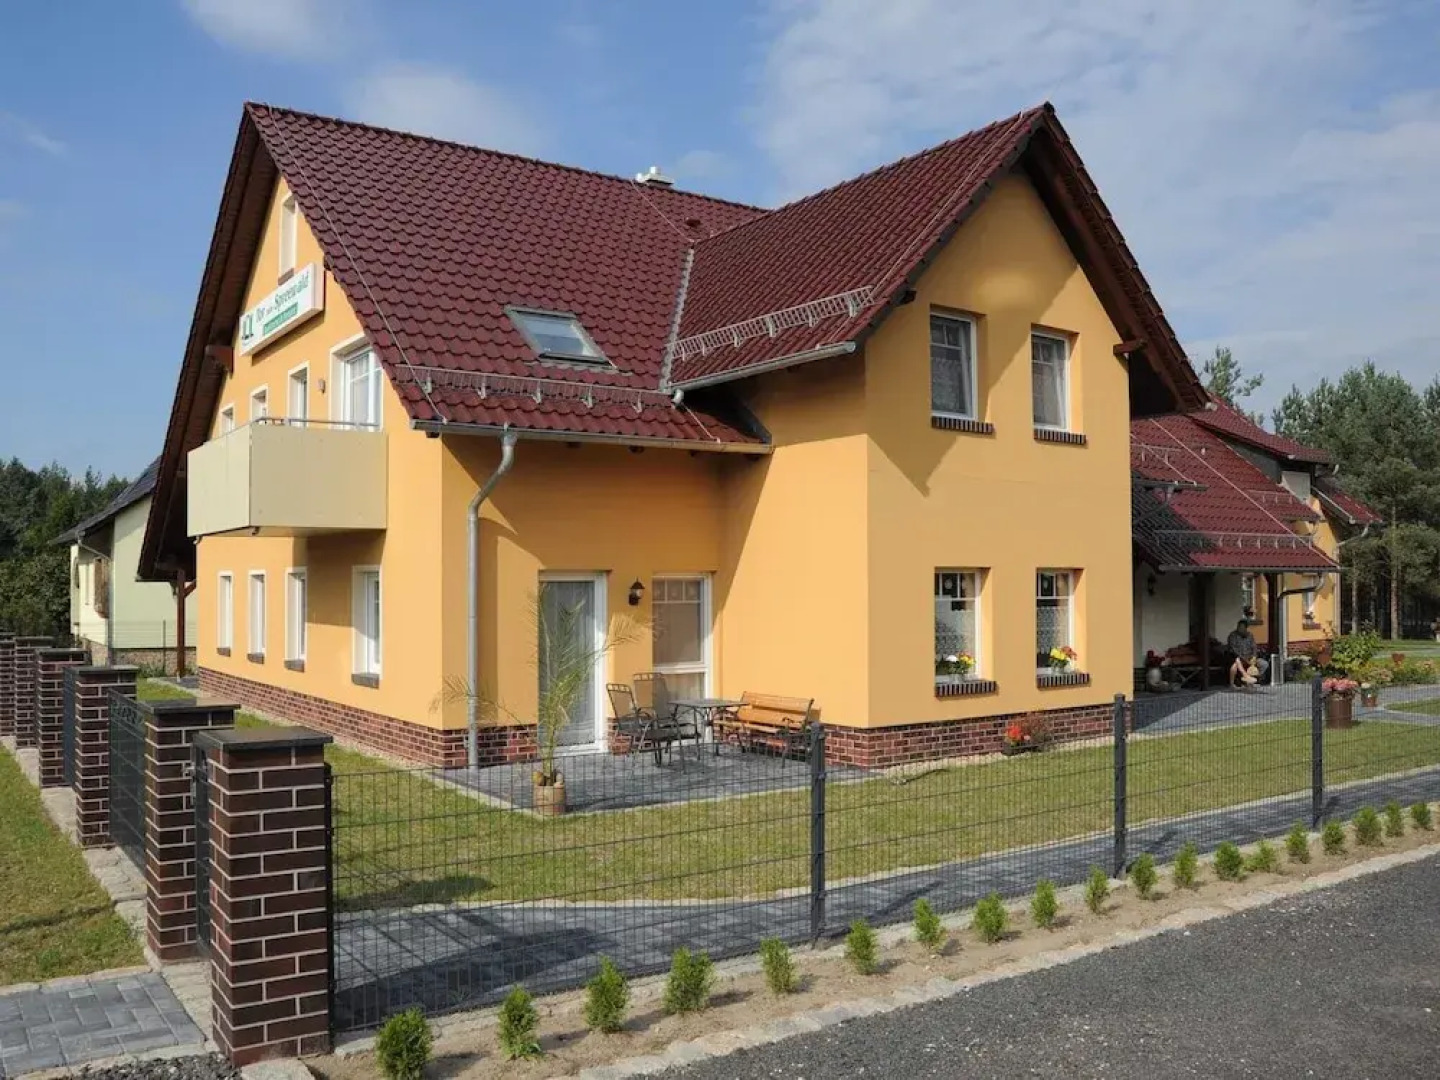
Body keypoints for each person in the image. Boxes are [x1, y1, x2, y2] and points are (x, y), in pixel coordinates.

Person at [1227, 620, 1269, 687]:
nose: (1239, 629)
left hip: (1250, 658)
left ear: (1246, 628)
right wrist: (1245, 659)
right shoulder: (1232, 636)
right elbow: (1234, 650)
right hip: (1239, 658)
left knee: (1264, 664)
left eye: (1241, 627)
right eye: (1238, 627)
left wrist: (1254, 657)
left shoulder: (1250, 635)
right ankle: (1244, 679)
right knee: (1235, 664)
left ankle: (1254, 679)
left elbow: (1254, 647)